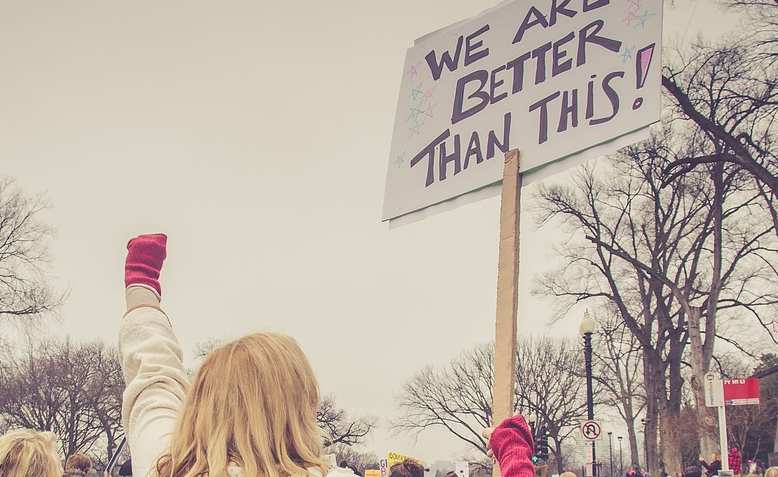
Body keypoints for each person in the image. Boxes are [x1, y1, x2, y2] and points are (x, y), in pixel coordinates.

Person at [119, 234, 360, 477]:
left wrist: (141, 287)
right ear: (300, 408)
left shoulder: (166, 469)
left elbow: (155, 383)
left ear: (202, 406)